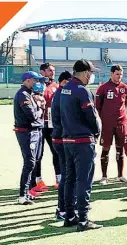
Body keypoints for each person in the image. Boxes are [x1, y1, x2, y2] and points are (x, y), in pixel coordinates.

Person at [60, 59, 102, 231]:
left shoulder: (65, 89)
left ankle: (69, 215)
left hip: (67, 140)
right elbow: (91, 117)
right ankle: (83, 219)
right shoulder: (82, 91)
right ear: (86, 73)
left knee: (69, 179)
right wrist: (97, 131)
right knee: (84, 180)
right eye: (91, 73)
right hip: (83, 141)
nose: (91, 76)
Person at [14, 71, 47, 205]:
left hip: (35, 131)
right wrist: (40, 108)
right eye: (35, 80)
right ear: (27, 80)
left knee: (35, 160)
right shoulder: (23, 95)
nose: (37, 83)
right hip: (27, 132)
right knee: (30, 162)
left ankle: (28, 192)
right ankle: (23, 194)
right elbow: (32, 115)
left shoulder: (30, 94)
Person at [96, 65, 127, 184]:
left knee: (120, 149)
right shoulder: (103, 88)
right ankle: (104, 176)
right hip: (107, 124)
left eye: (121, 74)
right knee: (106, 148)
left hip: (121, 123)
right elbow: (98, 106)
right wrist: (105, 118)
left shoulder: (124, 88)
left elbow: (125, 103)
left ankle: (120, 175)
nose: (119, 76)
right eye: (117, 74)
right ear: (111, 74)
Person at [51, 70, 72, 220]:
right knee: (67, 175)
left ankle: (65, 206)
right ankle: (62, 208)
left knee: (67, 174)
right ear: (64, 82)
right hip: (61, 138)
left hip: (60, 137)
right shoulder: (61, 95)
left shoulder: (60, 94)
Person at [39, 63, 61, 190]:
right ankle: (38, 181)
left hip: (52, 124)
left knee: (56, 152)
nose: (52, 72)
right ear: (42, 72)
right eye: (49, 70)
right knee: (38, 155)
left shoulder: (56, 86)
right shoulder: (37, 85)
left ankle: (59, 179)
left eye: (53, 70)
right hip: (39, 124)